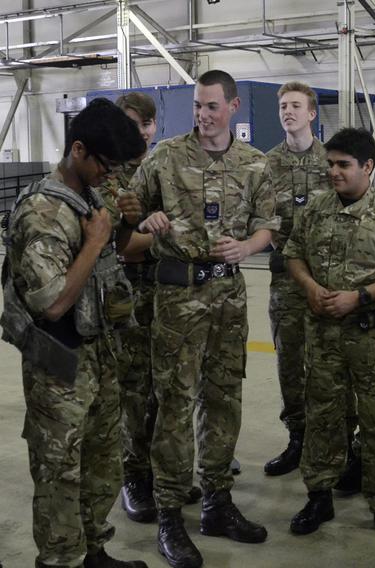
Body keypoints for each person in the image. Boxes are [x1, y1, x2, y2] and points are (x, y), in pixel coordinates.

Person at [129, 69, 278, 568]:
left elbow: (268, 225)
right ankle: (170, 514)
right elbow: (124, 212)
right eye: (197, 105)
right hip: (176, 296)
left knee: (224, 396)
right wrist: (144, 221)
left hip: (230, 297)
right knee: (173, 402)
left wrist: (248, 245)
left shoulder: (255, 164)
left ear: (233, 107)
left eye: (212, 106)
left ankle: (217, 501)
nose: (202, 115)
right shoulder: (166, 158)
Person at [1, 98, 148, 567]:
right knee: (60, 470)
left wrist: (122, 224)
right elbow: (53, 302)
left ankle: (94, 550)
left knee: (103, 462)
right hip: (59, 361)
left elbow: (116, 255)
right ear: (78, 150)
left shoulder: (90, 194)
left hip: (99, 352)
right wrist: (99, 238)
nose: (111, 175)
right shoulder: (40, 213)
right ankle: (59, 559)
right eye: (106, 165)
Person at [284, 127, 375, 539]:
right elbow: (293, 254)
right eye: (330, 164)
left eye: (343, 165)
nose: (333, 172)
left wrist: (359, 297)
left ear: (367, 167)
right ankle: (319, 496)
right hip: (324, 336)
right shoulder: (315, 209)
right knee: (323, 416)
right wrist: (311, 289)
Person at [96, 91, 204, 523]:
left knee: (170, 390)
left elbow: (186, 227)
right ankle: (134, 478)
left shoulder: (164, 166)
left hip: (168, 293)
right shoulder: (109, 175)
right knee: (134, 390)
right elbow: (120, 244)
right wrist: (161, 240)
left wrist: (153, 240)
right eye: (129, 124)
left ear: (154, 127)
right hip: (126, 295)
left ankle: (165, 477)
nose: (138, 132)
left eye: (144, 124)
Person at [262, 81, 332, 477]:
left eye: (295, 106)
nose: (288, 112)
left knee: (330, 363)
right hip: (287, 281)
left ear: (311, 113)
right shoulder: (266, 164)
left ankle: (334, 440)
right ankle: (298, 438)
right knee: (290, 361)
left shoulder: (333, 162)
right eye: (283, 106)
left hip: (328, 279)